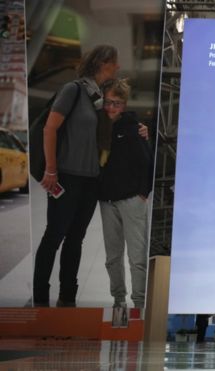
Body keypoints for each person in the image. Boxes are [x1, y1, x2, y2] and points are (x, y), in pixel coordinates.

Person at [33, 45, 120, 307]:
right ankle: (40, 298)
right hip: (67, 178)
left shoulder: (101, 95)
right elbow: (50, 128)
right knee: (54, 236)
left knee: (75, 239)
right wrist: (50, 169)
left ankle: (67, 298)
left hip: (90, 180)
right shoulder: (73, 90)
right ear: (102, 62)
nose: (117, 67)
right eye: (114, 63)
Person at [97, 79, 153, 309]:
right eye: (109, 102)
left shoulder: (132, 127)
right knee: (113, 256)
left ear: (124, 104)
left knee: (137, 255)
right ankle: (118, 300)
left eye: (117, 103)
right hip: (107, 200)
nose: (112, 108)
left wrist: (143, 192)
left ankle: (139, 303)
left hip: (132, 199)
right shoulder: (97, 125)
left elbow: (147, 161)